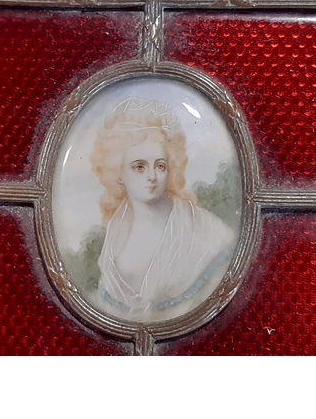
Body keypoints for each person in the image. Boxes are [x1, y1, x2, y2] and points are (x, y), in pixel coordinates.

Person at [90, 98, 235, 321]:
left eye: (160, 165)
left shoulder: (208, 232)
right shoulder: (116, 232)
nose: (152, 176)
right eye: (139, 166)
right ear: (118, 173)